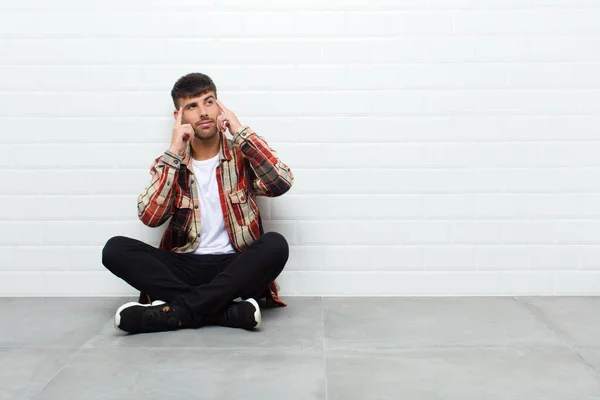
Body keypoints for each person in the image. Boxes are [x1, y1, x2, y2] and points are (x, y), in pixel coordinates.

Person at [101, 72, 294, 334]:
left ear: (219, 106)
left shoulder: (242, 153)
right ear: (178, 117)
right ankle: (226, 312)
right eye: (192, 106)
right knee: (115, 249)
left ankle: (178, 312)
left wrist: (240, 132)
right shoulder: (169, 161)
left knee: (276, 245)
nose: (203, 112)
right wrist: (174, 152)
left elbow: (281, 182)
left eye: (209, 101)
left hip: (235, 266)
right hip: (185, 266)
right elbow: (150, 217)